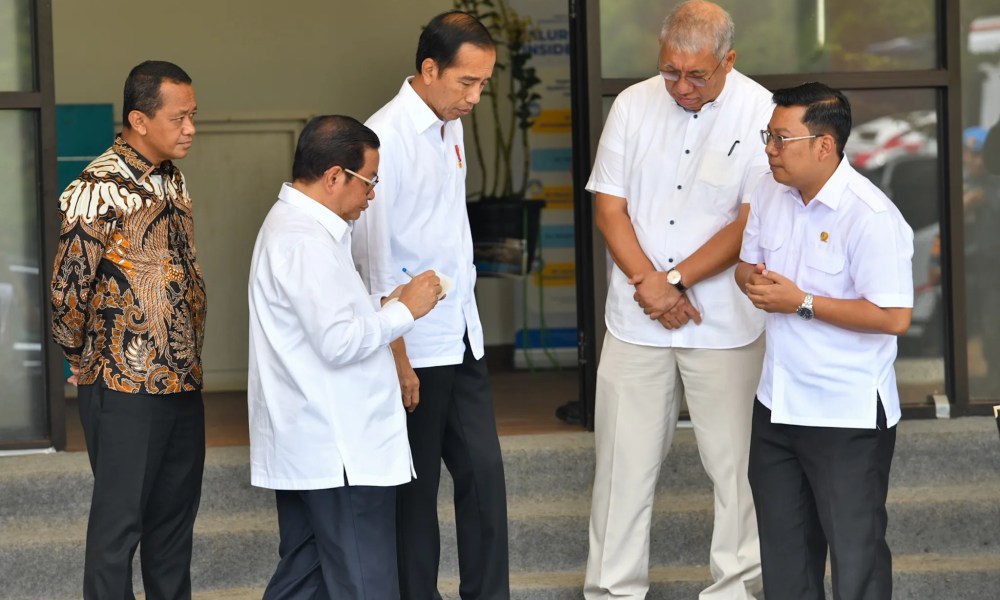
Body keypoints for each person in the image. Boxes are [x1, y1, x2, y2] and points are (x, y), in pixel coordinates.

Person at [583, 2, 772, 598]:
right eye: (670, 71)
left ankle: (734, 591)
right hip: (636, 320)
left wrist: (676, 281)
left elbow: (750, 220)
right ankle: (613, 592)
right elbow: (608, 207)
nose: (681, 86)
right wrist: (651, 285)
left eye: (696, 75)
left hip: (725, 324)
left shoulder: (761, 110)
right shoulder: (632, 104)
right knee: (621, 469)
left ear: (728, 61)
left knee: (737, 471)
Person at [247, 115, 442, 599]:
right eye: (369, 181)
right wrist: (406, 311)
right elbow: (338, 341)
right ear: (335, 176)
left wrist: (383, 305)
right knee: (366, 586)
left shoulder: (303, 229)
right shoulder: (303, 240)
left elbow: (328, 321)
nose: (372, 195)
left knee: (306, 583)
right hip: (339, 448)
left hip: (322, 446)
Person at [350, 10, 510, 599]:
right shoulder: (384, 139)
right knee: (414, 500)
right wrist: (396, 357)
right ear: (429, 69)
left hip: (461, 334)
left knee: (484, 480)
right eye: (466, 82)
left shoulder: (450, 125)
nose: (474, 98)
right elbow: (372, 262)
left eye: (483, 84)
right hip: (412, 347)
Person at [737, 82, 914, 600]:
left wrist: (801, 301)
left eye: (782, 138)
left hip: (845, 413)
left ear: (824, 145)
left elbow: (894, 316)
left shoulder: (870, 215)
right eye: (768, 136)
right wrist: (754, 283)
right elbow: (746, 265)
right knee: (785, 561)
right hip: (776, 403)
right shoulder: (768, 191)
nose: (770, 149)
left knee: (856, 562)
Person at [49, 60, 205, 599]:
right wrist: (80, 356)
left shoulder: (171, 178)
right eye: (179, 118)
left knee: (174, 527)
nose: (190, 128)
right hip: (123, 384)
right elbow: (68, 290)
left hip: (182, 380)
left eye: (193, 115)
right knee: (119, 529)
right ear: (139, 120)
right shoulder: (95, 188)